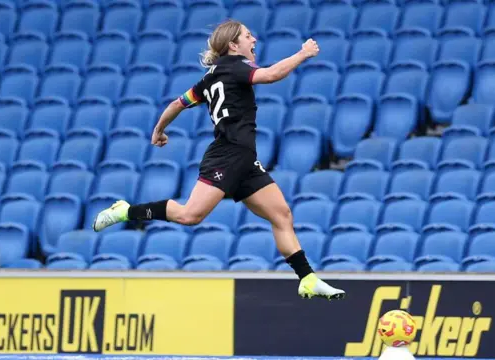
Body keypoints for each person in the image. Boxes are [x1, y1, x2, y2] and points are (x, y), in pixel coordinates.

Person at [93, 20, 345, 300]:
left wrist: (159, 129)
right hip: (227, 155)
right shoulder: (238, 66)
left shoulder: (211, 77)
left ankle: (307, 278)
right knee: (191, 215)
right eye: (248, 36)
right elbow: (272, 75)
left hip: (244, 160)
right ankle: (126, 211)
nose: (254, 40)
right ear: (233, 46)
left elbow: (178, 103)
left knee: (281, 214)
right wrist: (303, 53)